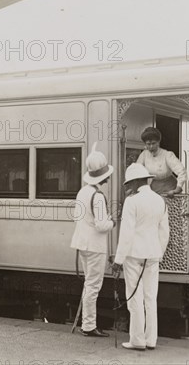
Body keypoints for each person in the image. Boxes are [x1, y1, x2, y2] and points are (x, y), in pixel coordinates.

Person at [113, 163, 170, 351]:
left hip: (134, 255)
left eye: (130, 183)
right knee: (150, 298)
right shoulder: (159, 200)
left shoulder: (132, 201)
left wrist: (118, 260)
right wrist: (158, 252)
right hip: (153, 254)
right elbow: (164, 232)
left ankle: (137, 340)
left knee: (134, 298)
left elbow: (126, 233)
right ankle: (151, 339)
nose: (129, 187)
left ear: (137, 181)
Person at [70, 142, 116, 337]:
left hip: (82, 243)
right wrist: (112, 221)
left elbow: (78, 217)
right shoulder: (98, 196)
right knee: (94, 286)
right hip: (95, 245)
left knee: (89, 284)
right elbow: (100, 225)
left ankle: (87, 323)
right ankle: (88, 326)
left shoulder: (83, 192)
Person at [136, 127, 186, 197]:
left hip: (170, 189)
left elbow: (181, 171)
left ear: (158, 142)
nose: (151, 147)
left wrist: (178, 188)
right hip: (153, 188)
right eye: (148, 144)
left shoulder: (167, 155)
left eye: (153, 143)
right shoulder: (144, 155)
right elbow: (136, 170)